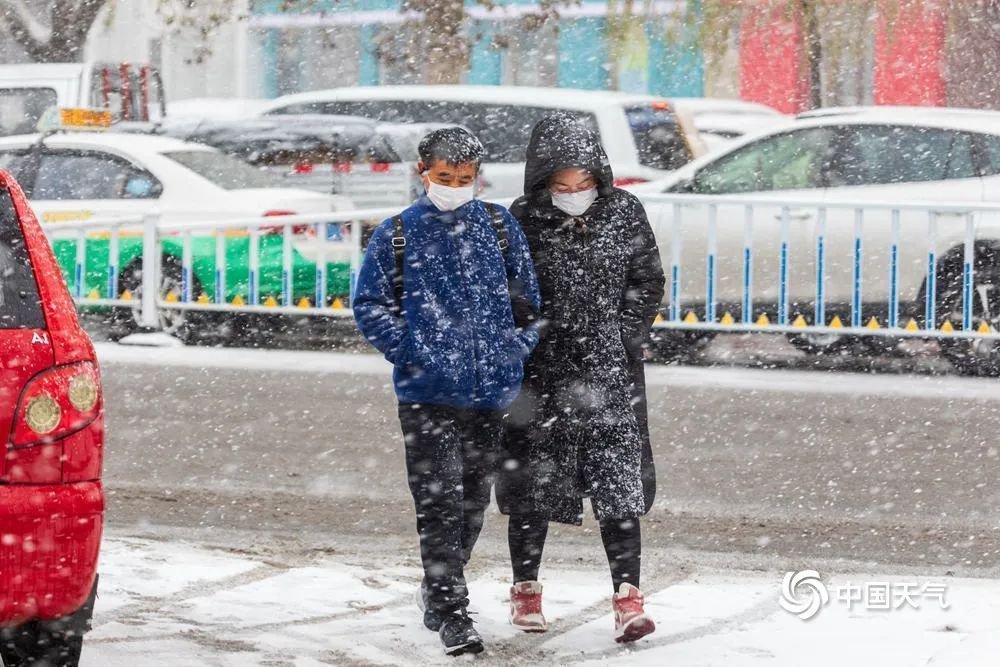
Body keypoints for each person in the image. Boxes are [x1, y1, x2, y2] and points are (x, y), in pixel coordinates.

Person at [353, 127, 540, 656]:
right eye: (444, 177)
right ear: (423, 173)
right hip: (427, 393)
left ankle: (438, 592)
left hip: (491, 392)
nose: (455, 186)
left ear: (478, 176)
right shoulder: (397, 233)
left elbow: (527, 301)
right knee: (438, 502)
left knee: (473, 502)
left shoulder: (500, 227)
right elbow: (370, 305)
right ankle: (452, 608)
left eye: (464, 179)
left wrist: (514, 349)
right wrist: (412, 350)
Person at [496, 113, 665, 643]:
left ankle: (628, 599)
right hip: (539, 376)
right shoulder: (520, 219)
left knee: (619, 488)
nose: (574, 194)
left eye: (584, 184)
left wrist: (624, 334)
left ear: (600, 177)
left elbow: (647, 278)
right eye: (562, 186)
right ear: (542, 182)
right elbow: (507, 292)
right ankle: (526, 590)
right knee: (533, 486)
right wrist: (530, 337)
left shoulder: (625, 212)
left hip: (609, 374)